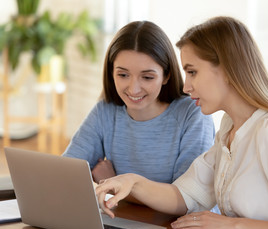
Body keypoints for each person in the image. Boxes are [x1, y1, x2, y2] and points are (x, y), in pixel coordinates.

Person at [95, 16, 268, 229]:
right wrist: (132, 182)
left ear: (228, 70)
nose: (186, 86)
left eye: (192, 72)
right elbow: (184, 195)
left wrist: (232, 225)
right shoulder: (229, 129)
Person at [63, 21, 215, 186]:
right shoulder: (106, 111)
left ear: (166, 75)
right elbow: (65, 172)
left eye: (147, 77)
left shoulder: (192, 113)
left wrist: (113, 183)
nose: (133, 89)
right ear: (111, 72)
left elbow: (188, 200)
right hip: (120, 212)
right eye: (123, 75)